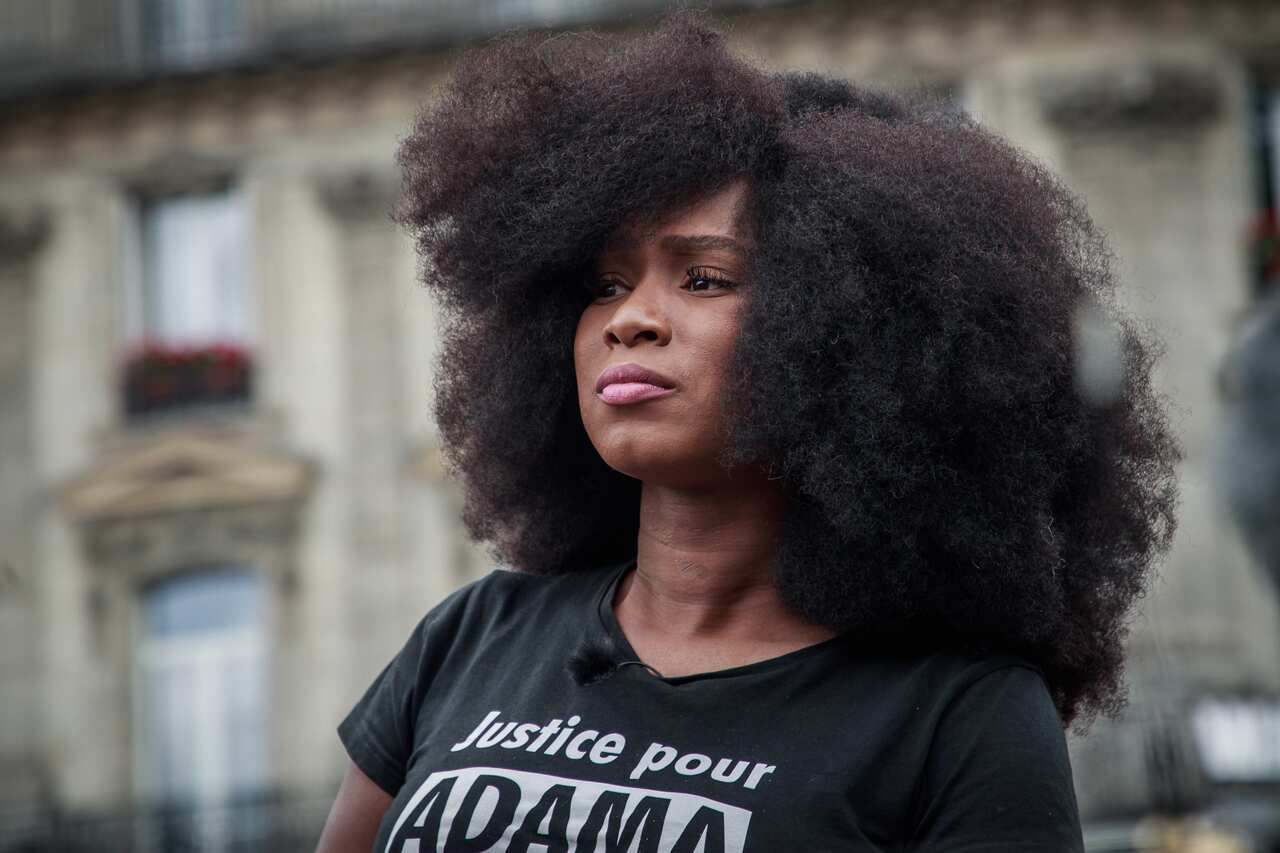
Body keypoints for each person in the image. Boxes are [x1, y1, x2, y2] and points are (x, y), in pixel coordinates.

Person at [316, 12, 1181, 852]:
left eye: (703, 277)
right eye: (606, 283)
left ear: (850, 330)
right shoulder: (475, 635)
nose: (632, 320)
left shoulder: (959, 711)